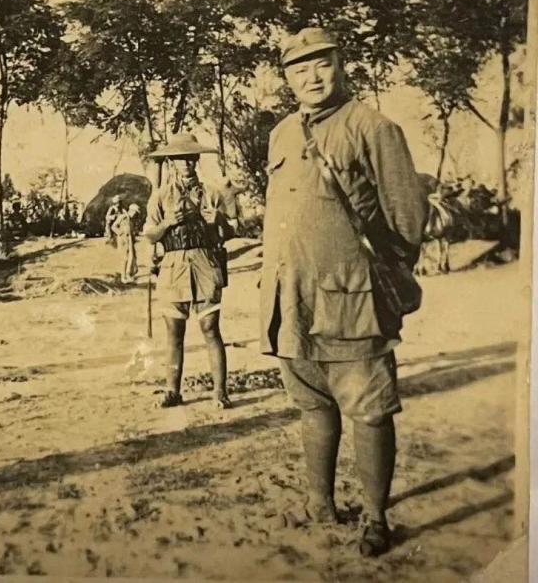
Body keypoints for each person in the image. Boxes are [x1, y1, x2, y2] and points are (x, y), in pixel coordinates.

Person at [259, 28, 426, 556]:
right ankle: (320, 503)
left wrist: (378, 278)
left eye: (321, 63)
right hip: (292, 298)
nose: (311, 77)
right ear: (287, 77)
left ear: (340, 64)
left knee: (369, 411)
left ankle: (376, 518)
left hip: (352, 300)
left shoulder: (373, 127)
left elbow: (407, 217)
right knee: (312, 405)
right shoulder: (282, 133)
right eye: (298, 68)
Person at [144, 134, 238, 409]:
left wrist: (218, 220)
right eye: (179, 158)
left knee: (210, 328)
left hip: (205, 263)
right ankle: (172, 391)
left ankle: (220, 391)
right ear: (171, 162)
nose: (185, 163)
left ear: (196, 159)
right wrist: (167, 223)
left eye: (189, 157)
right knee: (174, 331)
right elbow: (149, 234)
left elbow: (230, 231)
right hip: (173, 266)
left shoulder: (211, 193)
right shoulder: (160, 196)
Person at [111, 202, 142, 283]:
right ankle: (123, 276)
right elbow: (113, 226)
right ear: (131, 211)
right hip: (123, 239)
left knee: (131, 257)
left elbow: (131, 230)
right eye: (135, 212)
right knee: (124, 258)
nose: (136, 215)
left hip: (130, 239)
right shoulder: (123, 217)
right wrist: (120, 233)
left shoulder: (131, 220)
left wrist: (134, 237)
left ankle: (129, 274)